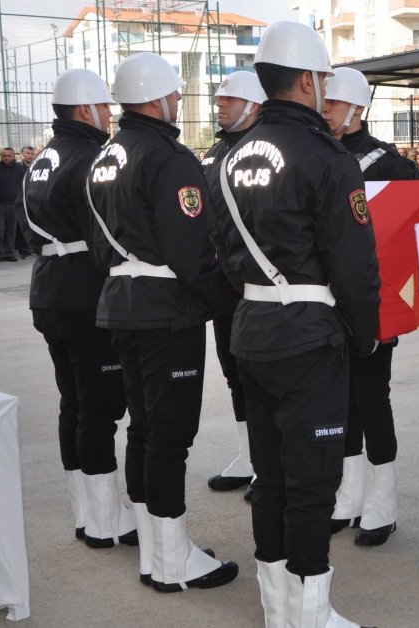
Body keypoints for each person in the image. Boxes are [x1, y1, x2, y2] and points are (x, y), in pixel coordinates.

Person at [211, 21, 379, 626]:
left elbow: (222, 252)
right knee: (312, 482)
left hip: (250, 327)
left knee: (272, 475)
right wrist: (366, 331)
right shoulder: (326, 157)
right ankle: (310, 613)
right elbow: (355, 264)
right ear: (308, 80)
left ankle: (277, 608)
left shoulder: (228, 159)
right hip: (309, 334)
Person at [87, 51, 237, 593]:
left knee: (145, 430)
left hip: (121, 304)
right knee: (170, 436)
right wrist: (227, 300)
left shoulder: (107, 155)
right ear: (156, 97)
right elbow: (191, 248)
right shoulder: (168, 157)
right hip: (166, 311)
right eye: (174, 93)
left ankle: (156, 552)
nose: (178, 100)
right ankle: (175, 562)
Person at [24, 68, 132, 548]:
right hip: (84, 291)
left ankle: (87, 511)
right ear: (87, 109)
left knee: (74, 401)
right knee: (101, 406)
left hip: (48, 288)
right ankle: (107, 519)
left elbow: (17, 233)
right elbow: (106, 234)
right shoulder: (91, 158)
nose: (109, 114)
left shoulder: (40, 159)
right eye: (105, 106)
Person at [321, 66, 415, 547]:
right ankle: (349, 494)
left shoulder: (389, 163)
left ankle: (383, 502)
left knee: (372, 399)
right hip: (327, 300)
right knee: (342, 401)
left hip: (375, 301)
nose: (325, 109)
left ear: (357, 109)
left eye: (333, 103)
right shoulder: (320, 154)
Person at [199, 70, 266, 499]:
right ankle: (248, 456)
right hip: (223, 285)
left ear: (254, 105)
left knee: (261, 380)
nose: (219, 104)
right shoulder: (212, 153)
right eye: (219, 98)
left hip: (260, 285)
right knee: (234, 376)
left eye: (228, 99)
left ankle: (267, 463)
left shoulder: (263, 149)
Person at [0, 147, 26, 262]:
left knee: (11, 230)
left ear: (13, 156)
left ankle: (9, 253)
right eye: (4, 156)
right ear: (1, 156)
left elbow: (23, 184)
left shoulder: (19, 169)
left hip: (13, 204)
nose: (6, 158)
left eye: (9, 156)